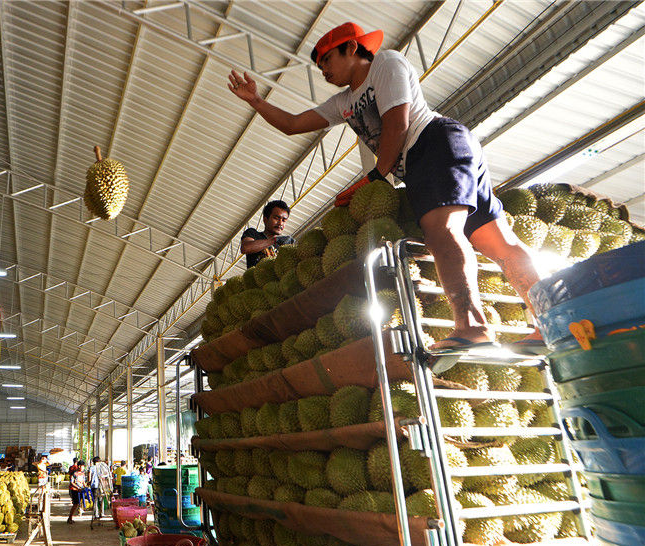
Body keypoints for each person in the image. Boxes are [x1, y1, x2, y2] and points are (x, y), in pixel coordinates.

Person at [228, 22, 545, 364]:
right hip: (434, 156)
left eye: (326, 59)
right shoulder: (345, 101)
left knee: (443, 232)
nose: (323, 70)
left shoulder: (386, 64)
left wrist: (376, 177)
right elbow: (292, 124)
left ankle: (472, 327)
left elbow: (398, 124)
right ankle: (551, 321)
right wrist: (257, 101)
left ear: (352, 48)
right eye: (319, 66)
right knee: (495, 240)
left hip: (434, 144)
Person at [241, 200, 295, 268]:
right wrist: (274, 240)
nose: (280, 223)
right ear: (265, 219)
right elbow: (245, 248)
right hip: (256, 278)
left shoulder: (283, 247)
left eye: (284, 220)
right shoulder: (253, 233)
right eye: (276, 218)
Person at [88, 455, 113, 520]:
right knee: (101, 499)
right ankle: (102, 513)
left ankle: (96, 514)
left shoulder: (92, 468)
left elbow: (89, 478)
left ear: (93, 462)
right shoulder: (102, 467)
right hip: (102, 486)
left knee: (95, 500)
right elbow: (106, 476)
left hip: (94, 486)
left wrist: (89, 483)